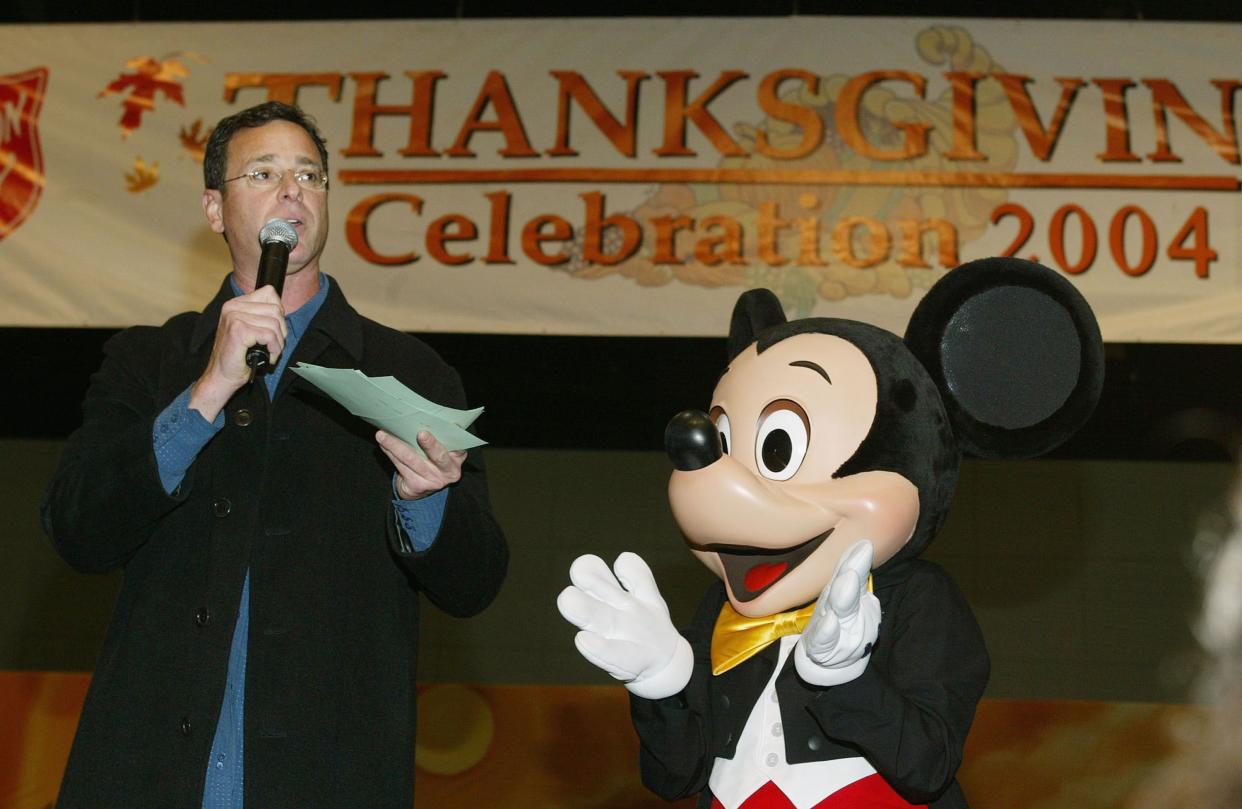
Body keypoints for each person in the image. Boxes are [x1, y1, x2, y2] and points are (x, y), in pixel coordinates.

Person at [40, 101, 508, 809]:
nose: (293, 190)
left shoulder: (408, 372)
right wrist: (206, 391)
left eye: (310, 175)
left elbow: (476, 582)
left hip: (330, 775)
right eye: (263, 172)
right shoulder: (149, 360)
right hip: (148, 772)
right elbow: (78, 528)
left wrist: (425, 501)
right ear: (213, 208)